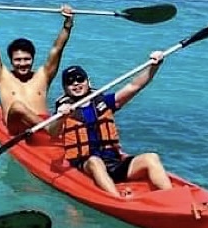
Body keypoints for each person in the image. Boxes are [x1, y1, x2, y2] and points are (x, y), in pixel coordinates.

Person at [55, 57, 172, 197]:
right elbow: (52, 132)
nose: (76, 83)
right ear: (65, 88)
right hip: (86, 166)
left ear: (88, 81)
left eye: (80, 79)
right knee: (94, 161)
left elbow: (135, 86)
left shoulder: (104, 102)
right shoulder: (64, 109)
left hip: (114, 163)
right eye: (70, 82)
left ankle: (172, 197)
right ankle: (118, 199)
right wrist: (61, 117)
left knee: (151, 157)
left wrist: (154, 66)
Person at [0, 1, 75, 132]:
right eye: (18, 60)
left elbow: (57, 48)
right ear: (11, 61)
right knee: (17, 106)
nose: (22, 64)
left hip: (42, 122)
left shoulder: (43, 75)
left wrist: (68, 24)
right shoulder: (2, 76)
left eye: (26, 59)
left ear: (33, 59)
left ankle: (48, 128)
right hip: (17, 127)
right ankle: (49, 128)